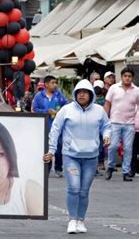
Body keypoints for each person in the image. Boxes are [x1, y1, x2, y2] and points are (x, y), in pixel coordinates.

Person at [43, 79, 111, 234]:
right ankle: (72, 220)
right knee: (74, 188)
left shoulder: (99, 111)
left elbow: (107, 126)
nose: (81, 95)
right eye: (79, 92)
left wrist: (107, 135)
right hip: (70, 156)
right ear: (75, 94)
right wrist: (51, 151)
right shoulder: (66, 110)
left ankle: (81, 220)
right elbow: (55, 130)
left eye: (85, 92)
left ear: (91, 94)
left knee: (84, 191)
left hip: (91, 157)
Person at [104, 68, 138, 181]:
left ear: (132, 78)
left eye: (129, 76)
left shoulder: (136, 90)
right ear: (121, 77)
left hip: (130, 124)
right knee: (113, 146)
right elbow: (107, 104)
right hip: (114, 122)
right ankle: (110, 166)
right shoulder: (114, 88)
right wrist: (105, 119)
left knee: (128, 148)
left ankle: (126, 172)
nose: (127, 78)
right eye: (125, 76)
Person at [32, 75, 68, 177]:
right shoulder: (39, 96)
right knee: (45, 148)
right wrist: (46, 112)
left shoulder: (59, 95)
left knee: (59, 147)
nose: (55, 85)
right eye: (52, 83)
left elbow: (66, 106)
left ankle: (58, 168)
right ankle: (46, 168)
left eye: (55, 82)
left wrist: (59, 112)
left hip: (58, 126)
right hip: (45, 126)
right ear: (46, 84)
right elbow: (34, 110)